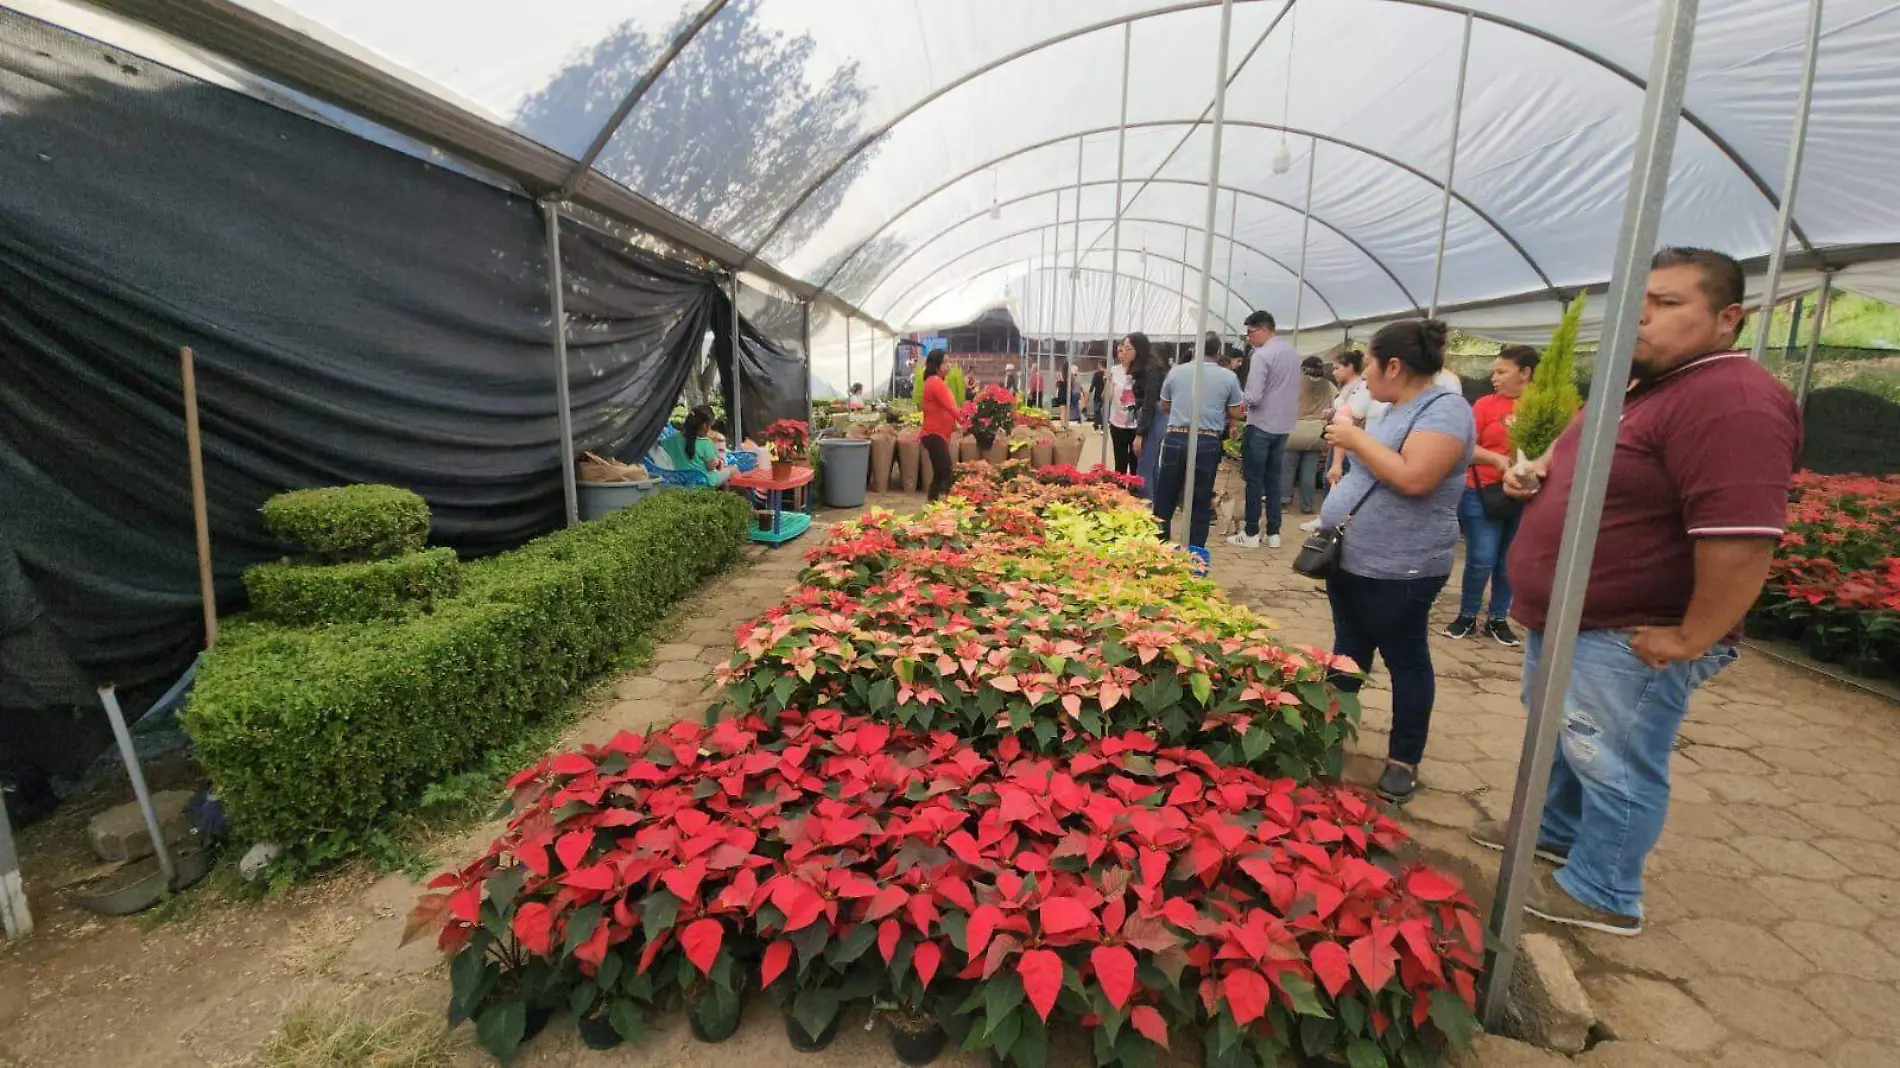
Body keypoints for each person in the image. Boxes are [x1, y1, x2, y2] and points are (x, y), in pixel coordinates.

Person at [1473, 248, 1801, 937]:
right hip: (1570, 622)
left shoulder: (1730, 400)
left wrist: (1689, 639)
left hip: (1624, 632)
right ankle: (1555, 835)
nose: (1641, 317)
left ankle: (1604, 889)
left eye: (1668, 304)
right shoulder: (1640, 388)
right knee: (1565, 742)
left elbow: (1741, 541)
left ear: (1727, 318)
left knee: (1612, 759)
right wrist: (1531, 476)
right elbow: (1566, 461)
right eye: (1637, 302)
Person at [1316, 319, 1475, 804]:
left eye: (1367, 365)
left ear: (1395, 365)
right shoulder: (1395, 408)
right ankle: (1325, 738)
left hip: (1401, 567)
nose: (1363, 376)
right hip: (1354, 559)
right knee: (1348, 650)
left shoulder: (1445, 410)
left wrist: (1355, 440)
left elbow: (1415, 478)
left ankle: (1403, 759)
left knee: (1406, 661)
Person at [1444, 345, 1540, 646]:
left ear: (1525, 373)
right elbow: (1465, 448)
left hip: (1527, 496)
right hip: (1482, 492)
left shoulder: (1545, 407)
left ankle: (1498, 618)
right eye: (1494, 371)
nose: (1494, 377)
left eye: (1502, 371)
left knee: (1510, 561)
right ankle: (1468, 615)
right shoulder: (1484, 405)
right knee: (1481, 558)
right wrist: (1498, 461)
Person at [1152, 336, 1245, 549]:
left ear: (1194, 350)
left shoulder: (1176, 371)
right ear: (1218, 353)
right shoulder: (1228, 377)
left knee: (1165, 494)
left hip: (1176, 436)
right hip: (1208, 439)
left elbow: (1165, 405)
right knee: (1201, 497)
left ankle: (1159, 545)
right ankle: (1195, 551)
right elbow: (1236, 411)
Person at [1229, 311, 1303, 550]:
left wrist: (1241, 403)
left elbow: (1253, 395)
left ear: (1262, 329)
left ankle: (1250, 532)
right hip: (1283, 427)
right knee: (1273, 481)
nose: (1249, 338)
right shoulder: (1293, 353)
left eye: (1250, 332)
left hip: (1260, 424)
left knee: (1254, 481)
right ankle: (1273, 533)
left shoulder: (1261, 356)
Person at [1282, 356, 1336, 516]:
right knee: (1309, 471)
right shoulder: (1329, 385)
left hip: (1295, 429)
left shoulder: (1294, 382)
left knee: (1287, 468)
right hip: (1317, 432)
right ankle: (1306, 505)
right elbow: (1336, 404)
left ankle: (1283, 501)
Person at [1130, 334, 1168, 496]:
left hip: (1153, 419)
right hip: (1155, 418)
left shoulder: (1150, 370)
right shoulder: (1149, 368)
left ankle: (1146, 511)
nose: (1123, 352)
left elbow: (1149, 403)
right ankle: (1157, 509)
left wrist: (1140, 434)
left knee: (1144, 468)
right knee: (1152, 467)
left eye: (1128, 348)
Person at [919, 349, 960, 501]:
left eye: (949, 362)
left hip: (935, 435)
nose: (949, 365)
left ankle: (932, 503)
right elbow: (951, 407)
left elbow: (943, 409)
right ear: (936, 364)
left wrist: (957, 424)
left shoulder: (935, 382)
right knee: (947, 471)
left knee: (939, 472)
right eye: (945, 362)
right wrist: (967, 421)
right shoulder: (935, 382)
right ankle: (953, 504)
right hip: (934, 434)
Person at [1107, 338, 1143, 474]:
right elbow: (1107, 397)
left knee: (1135, 463)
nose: (1122, 354)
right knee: (1120, 463)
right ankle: (1119, 491)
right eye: (1119, 351)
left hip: (1136, 424)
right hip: (1117, 423)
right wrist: (1108, 383)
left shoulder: (1141, 372)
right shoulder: (1114, 370)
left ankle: (1133, 491)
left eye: (1126, 350)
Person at [677, 406, 735, 487]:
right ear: (705, 426)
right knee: (733, 469)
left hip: (680, 479)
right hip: (704, 482)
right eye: (710, 425)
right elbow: (711, 467)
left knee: (724, 479)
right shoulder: (706, 443)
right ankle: (747, 498)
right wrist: (718, 461)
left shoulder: (674, 437)